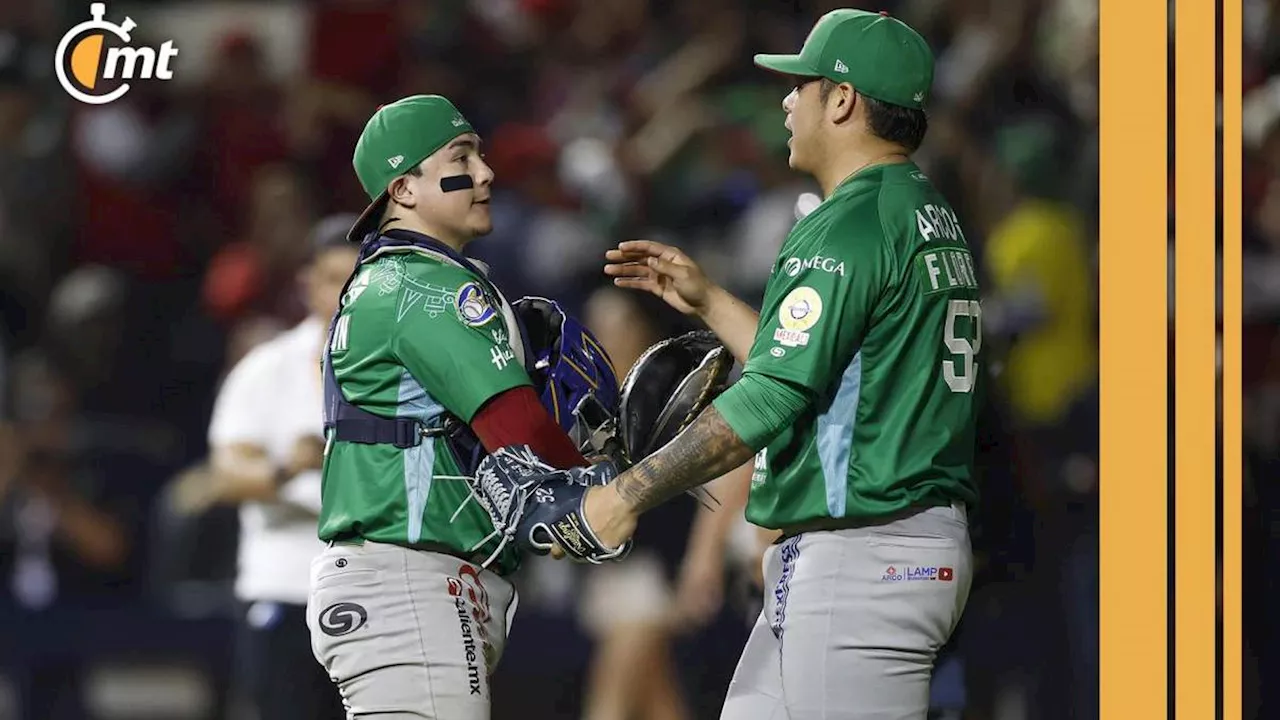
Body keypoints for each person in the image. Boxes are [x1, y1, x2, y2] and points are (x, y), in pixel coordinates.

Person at [582, 10, 981, 719]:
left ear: (844, 100)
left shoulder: (848, 222)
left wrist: (624, 495)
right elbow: (822, 364)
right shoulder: (920, 209)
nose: (786, 101)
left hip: (867, 552)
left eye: (802, 84)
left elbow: (770, 398)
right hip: (872, 547)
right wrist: (709, 301)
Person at [306, 94, 613, 720]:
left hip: (411, 586)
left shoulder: (390, 280)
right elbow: (516, 429)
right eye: (461, 157)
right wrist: (609, 484)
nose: (485, 173)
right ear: (405, 189)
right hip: (410, 584)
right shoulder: (426, 285)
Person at [204, 214, 360, 720]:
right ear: (308, 283)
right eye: (334, 278)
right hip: (288, 588)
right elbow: (226, 474)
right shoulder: (266, 369)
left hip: (374, 589)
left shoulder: (405, 372)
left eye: (359, 279)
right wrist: (286, 469)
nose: (346, 294)